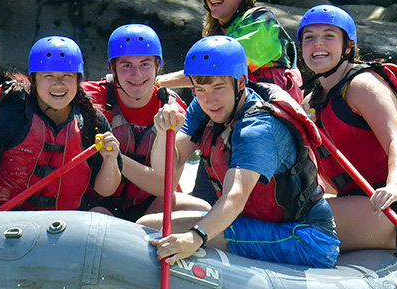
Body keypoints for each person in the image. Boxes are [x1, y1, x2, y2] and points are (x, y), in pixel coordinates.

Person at [140, 35, 339, 269]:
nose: (209, 99)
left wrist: (194, 238)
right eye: (200, 89)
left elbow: (234, 197)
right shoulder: (205, 106)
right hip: (254, 223)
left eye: (218, 88)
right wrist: (164, 133)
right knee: (147, 225)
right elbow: (164, 169)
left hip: (306, 240)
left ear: (241, 83)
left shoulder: (258, 130)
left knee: (160, 232)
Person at [300, 5, 397, 250]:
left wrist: (394, 186)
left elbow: (395, 141)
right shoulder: (311, 102)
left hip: (392, 208)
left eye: (329, 36)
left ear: (348, 46)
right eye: (309, 38)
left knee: (297, 220)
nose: (318, 44)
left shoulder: (362, 87)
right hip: (354, 202)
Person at [0, 35, 121, 213]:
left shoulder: (93, 121)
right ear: (34, 80)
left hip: (63, 221)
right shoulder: (10, 116)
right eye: (48, 76)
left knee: (102, 213)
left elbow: (105, 190)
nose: (58, 84)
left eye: (67, 76)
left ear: (78, 80)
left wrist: (110, 160)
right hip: (5, 217)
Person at [81, 23, 211, 221]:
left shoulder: (173, 108)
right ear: (112, 68)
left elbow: (164, 186)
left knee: (204, 210)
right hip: (92, 202)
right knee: (99, 218)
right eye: (126, 66)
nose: (137, 75)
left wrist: (117, 157)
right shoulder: (87, 99)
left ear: (158, 66)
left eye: (145, 64)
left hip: (146, 205)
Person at [156, 0, 303, 102]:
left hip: (269, 117)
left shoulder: (263, 23)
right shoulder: (218, 33)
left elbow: (216, 68)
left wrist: (157, 82)